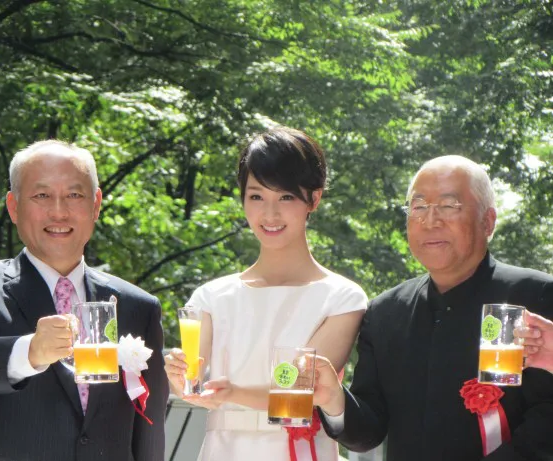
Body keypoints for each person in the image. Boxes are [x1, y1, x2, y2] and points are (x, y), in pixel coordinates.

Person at [313, 155, 553, 460]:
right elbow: (369, 431)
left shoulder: (535, 296)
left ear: (488, 220)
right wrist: (335, 401)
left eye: (449, 205)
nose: (430, 220)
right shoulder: (385, 312)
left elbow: (546, 419)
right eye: (419, 207)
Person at [0, 140, 169, 461]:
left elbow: (149, 426)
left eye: (74, 195)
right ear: (13, 206)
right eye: (42, 195)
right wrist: (30, 351)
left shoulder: (138, 306)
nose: (59, 211)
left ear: (95, 204)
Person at [164, 126, 367, 461]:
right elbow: (192, 385)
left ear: (313, 199)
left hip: (299, 451)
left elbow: (304, 392)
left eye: (285, 197)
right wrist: (179, 376)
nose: (269, 214)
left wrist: (232, 392)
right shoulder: (211, 297)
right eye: (256, 196)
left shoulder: (342, 297)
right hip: (223, 451)